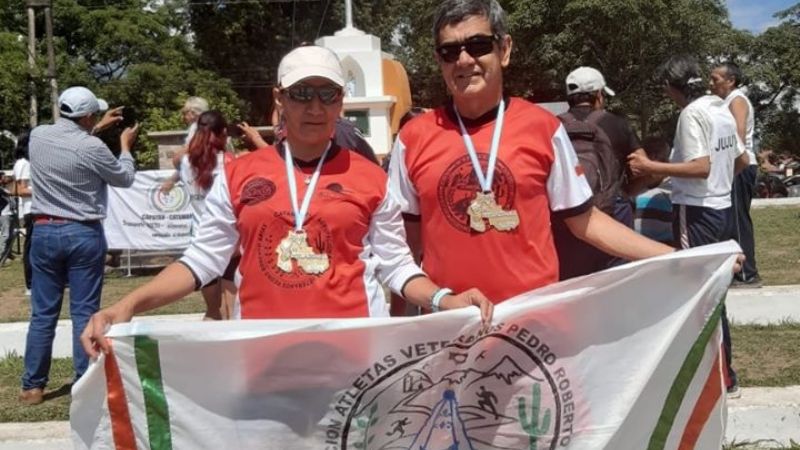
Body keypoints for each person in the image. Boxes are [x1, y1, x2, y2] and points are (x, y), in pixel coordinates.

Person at [81, 46, 493, 358]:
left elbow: (397, 266)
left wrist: (445, 299)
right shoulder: (240, 173)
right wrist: (128, 304)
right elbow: (201, 261)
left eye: (327, 94)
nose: (315, 107)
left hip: (351, 355)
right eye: (302, 93)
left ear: (341, 102)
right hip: (263, 355)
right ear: (280, 98)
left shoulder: (371, 177)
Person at [388, 0, 674, 305]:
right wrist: (419, 313)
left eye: (478, 45)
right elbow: (402, 248)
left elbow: (585, 221)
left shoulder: (544, 129)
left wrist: (677, 256)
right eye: (449, 51)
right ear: (439, 60)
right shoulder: (412, 138)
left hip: (533, 321)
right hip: (453, 324)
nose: (463, 60)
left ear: (505, 49)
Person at [627, 55, 749, 398]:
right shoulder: (720, 108)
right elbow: (741, 159)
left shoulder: (691, 114)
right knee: (714, 290)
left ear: (670, 87)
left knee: (697, 294)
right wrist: (719, 185)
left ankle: (712, 376)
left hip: (695, 212)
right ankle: (726, 372)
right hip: (721, 208)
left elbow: (700, 166)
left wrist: (651, 165)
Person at [19, 86, 138, 405]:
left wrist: (96, 128)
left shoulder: (39, 135)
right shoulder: (94, 147)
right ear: (87, 117)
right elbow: (124, 178)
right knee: (84, 312)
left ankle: (32, 386)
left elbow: (68, 143)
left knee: (42, 313)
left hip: (44, 229)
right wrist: (125, 146)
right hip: (82, 232)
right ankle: (84, 382)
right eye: (94, 115)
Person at [552, 66, 648, 279]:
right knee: (615, 284)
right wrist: (627, 192)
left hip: (567, 219)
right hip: (613, 213)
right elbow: (645, 169)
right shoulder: (618, 124)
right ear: (598, 95)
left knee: (571, 286)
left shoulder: (552, 125)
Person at [172, 110, 236, 320]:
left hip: (200, 240)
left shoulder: (185, 162)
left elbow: (178, 157)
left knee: (212, 311)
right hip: (229, 240)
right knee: (232, 314)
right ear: (224, 133)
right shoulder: (229, 162)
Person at [709, 62, 761, 288]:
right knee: (729, 221)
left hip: (739, 165)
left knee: (738, 222)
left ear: (730, 81)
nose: (711, 84)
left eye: (715, 80)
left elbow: (737, 135)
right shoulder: (724, 102)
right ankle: (735, 271)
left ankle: (748, 274)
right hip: (731, 166)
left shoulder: (737, 100)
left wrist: (728, 165)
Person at [161, 96, 210, 193]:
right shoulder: (204, 126)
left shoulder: (198, 128)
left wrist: (178, 156)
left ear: (193, 113)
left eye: (185, 113)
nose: (183, 117)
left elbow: (188, 155)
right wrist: (172, 180)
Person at [12, 131, 32, 295]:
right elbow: (21, 189)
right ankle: (30, 284)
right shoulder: (23, 163)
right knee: (31, 247)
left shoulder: (26, 163)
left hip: (35, 208)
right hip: (31, 210)